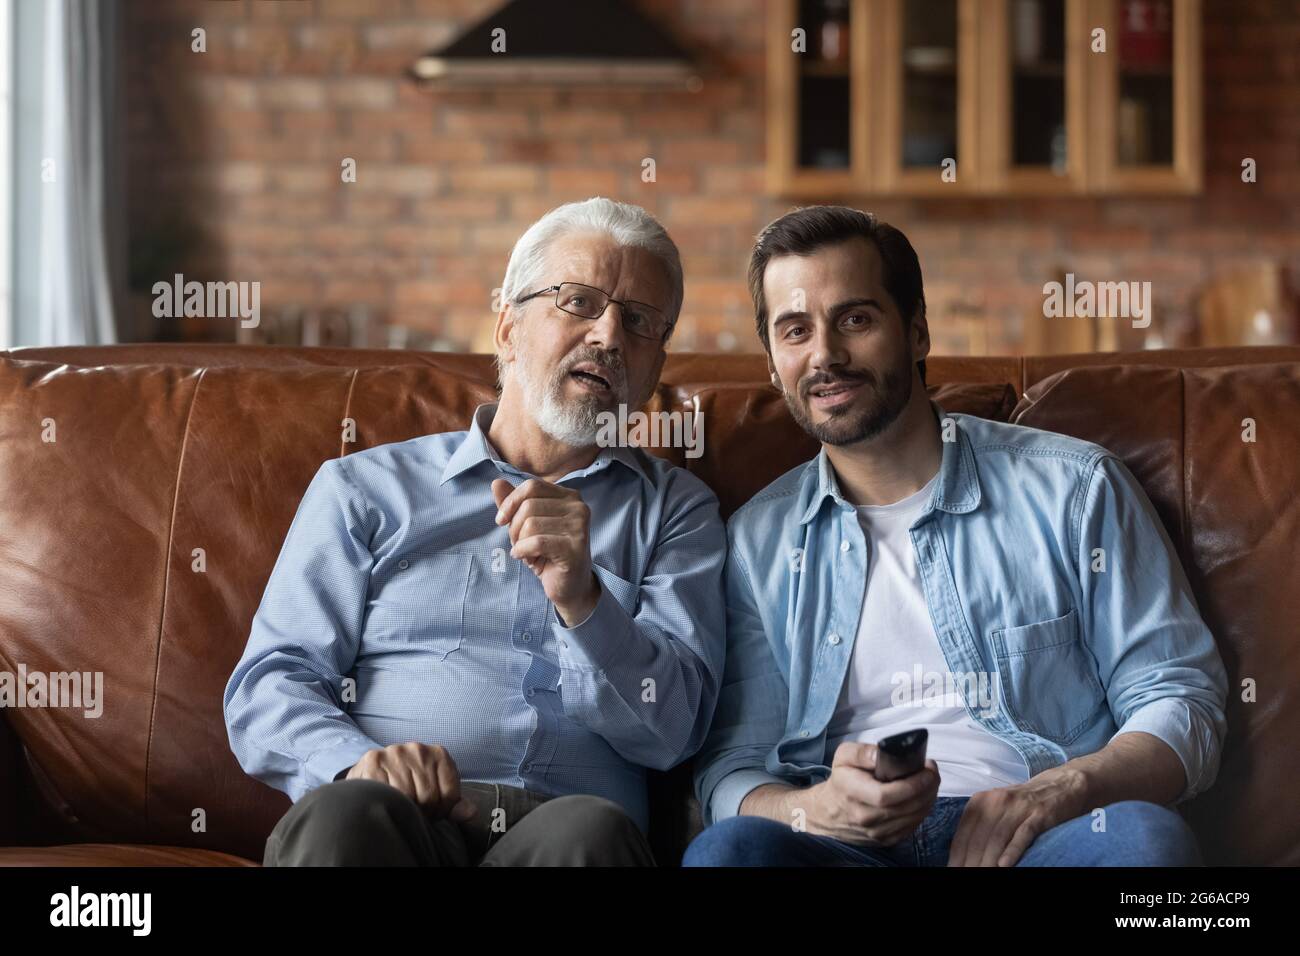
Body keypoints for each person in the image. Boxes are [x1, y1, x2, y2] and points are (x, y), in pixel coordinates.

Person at [686, 205, 1227, 867]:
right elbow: (732, 765)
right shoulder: (756, 542)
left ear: (916, 332)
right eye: (795, 330)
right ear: (773, 362)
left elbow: (1179, 697)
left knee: (1147, 844)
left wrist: (1063, 791)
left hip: (1040, 834)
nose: (825, 354)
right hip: (849, 851)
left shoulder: (1075, 488)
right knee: (730, 852)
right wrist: (813, 809)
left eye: (855, 318)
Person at [225, 197, 726, 866]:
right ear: (508, 329)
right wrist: (356, 766)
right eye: (578, 301)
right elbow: (271, 683)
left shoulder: (678, 512)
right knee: (346, 818)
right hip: (396, 822)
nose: (609, 336)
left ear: (657, 364)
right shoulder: (364, 489)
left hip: (562, 836)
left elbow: (674, 733)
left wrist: (585, 601)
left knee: (591, 836)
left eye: (639, 322)